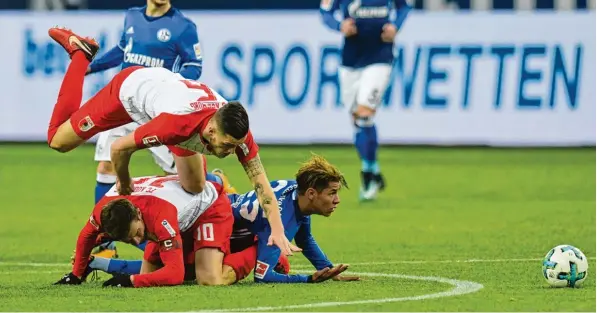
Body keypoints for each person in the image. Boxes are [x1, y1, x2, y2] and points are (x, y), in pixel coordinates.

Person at [46, 27, 297, 255]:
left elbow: (261, 183)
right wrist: (124, 182)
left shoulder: (236, 133)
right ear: (211, 131)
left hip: (170, 100)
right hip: (128, 93)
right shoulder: (175, 125)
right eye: (228, 145)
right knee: (58, 140)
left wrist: (277, 230)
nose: (233, 151)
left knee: (196, 186)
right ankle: (80, 53)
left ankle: (218, 183)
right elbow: (119, 147)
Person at [84, 155, 360, 284]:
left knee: (164, 268)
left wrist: (329, 270)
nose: (337, 200)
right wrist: (309, 279)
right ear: (311, 193)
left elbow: (305, 234)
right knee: (187, 274)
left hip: (213, 213)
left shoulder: (291, 193)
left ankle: (94, 262)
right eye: (333, 193)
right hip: (216, 225)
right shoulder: (283, 217)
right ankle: (219, 182)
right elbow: (263, 277)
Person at [87, 0, 204, 205]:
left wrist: (167, 84)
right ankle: (104, 235)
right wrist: (91, 67)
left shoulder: (183, 26)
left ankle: (216, 186)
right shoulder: (132, 16)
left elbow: (193, 66)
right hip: (123, 104)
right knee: (106, 167)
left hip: (154, 108)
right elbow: (121, 50)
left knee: (182, 175)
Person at [54, 175, 263, 287]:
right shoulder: (105, 209)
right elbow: (86, 236)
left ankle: (258, 250)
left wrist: (131, 281)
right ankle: (96, 264)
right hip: (178, 210)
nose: (137, 241)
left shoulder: (160, 217)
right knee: (152, 275)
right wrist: (76, 274)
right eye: (130, 239)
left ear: (137, 213)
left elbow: (175, 274)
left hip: (210, 207)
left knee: (209, 279)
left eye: (136, 233)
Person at [320, 0, 411, 201]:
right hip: (350, 61)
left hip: (381, 57)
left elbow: (404, 6)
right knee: (359, 120)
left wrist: (395, 26)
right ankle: (374, 169)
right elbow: (325, 11)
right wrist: (339, 26)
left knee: (364, 114)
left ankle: (368, 176)